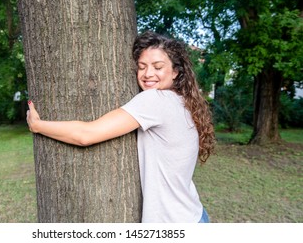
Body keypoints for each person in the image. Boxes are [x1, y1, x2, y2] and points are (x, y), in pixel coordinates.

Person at [26, 31, 215, 223]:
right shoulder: (182, 101)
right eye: (142, 67)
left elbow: (86, 135)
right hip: (194, 214)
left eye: (158, 67)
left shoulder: (156, 99)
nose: (148, 74)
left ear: (175, 72)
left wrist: (38, 125)